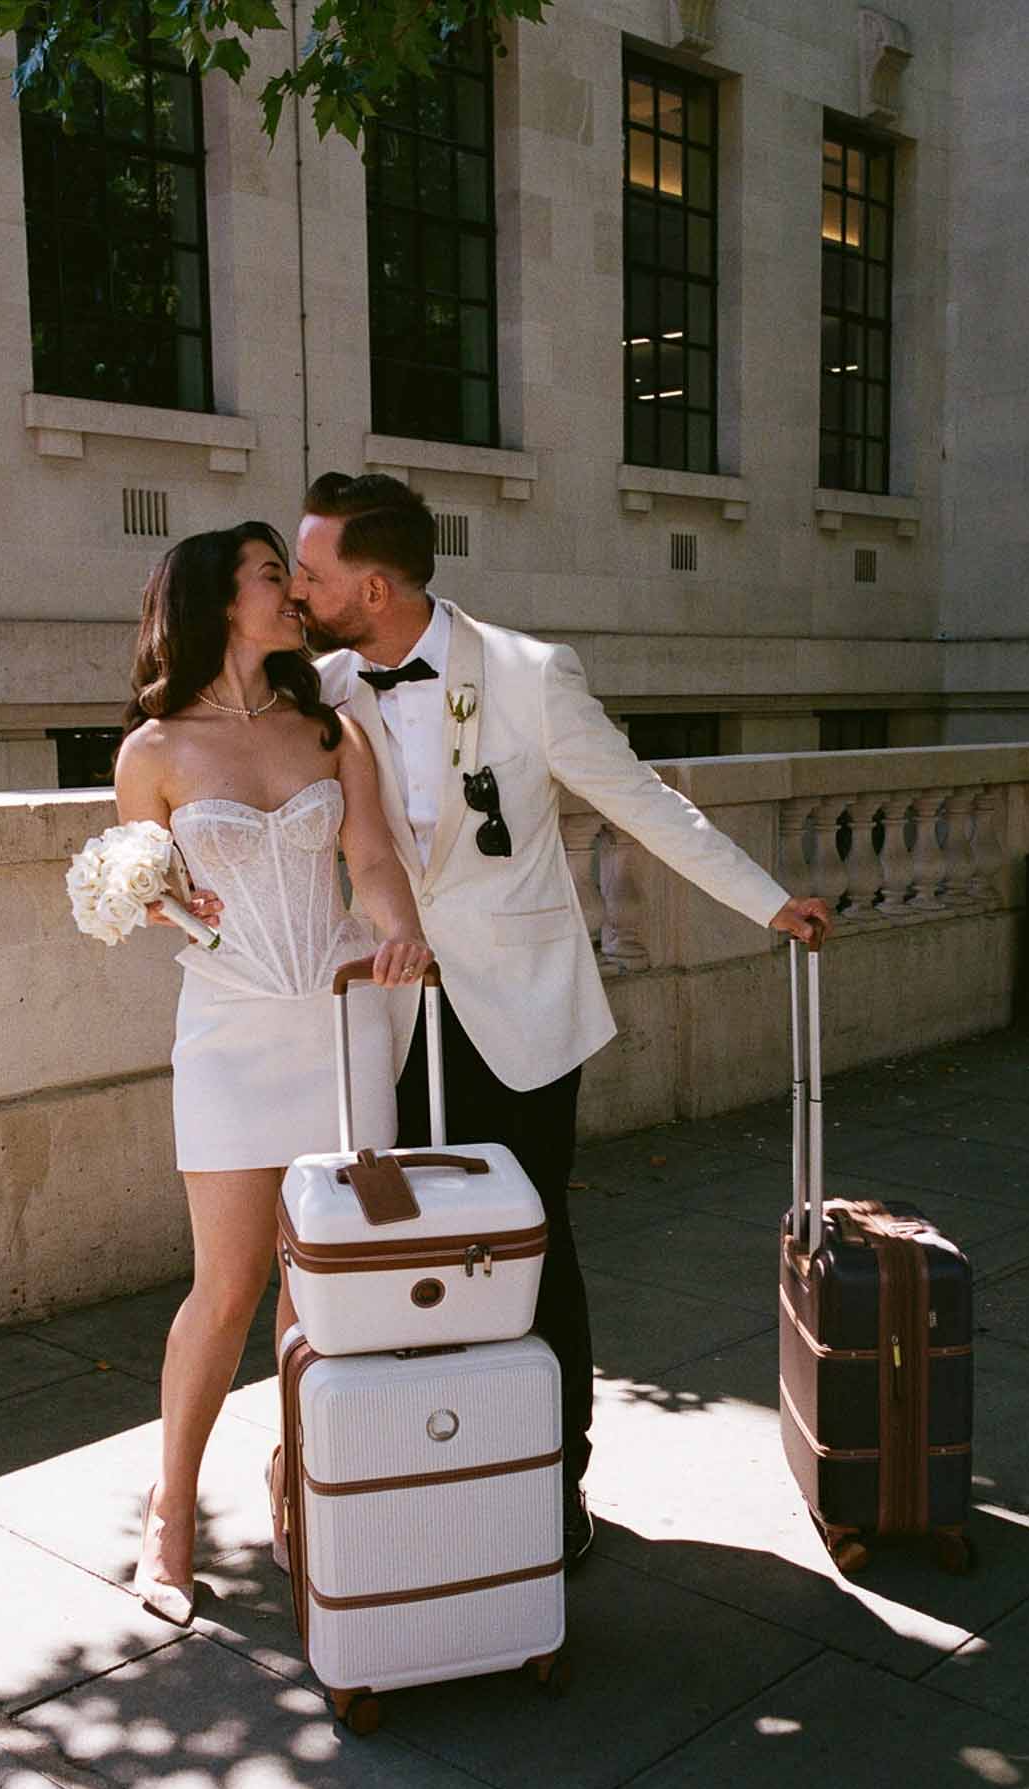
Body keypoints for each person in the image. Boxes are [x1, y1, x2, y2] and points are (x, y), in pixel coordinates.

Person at [287, 473, 832, 1568]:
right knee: (395, 1250)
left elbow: (642, 800)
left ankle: (554, 1480)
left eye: (312, 574)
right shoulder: (317, 684)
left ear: (375, 584)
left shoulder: (532, 675)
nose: (297, 590)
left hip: (519, 1014)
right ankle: (431, 1469)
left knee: (533, 1249)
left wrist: (766, 898)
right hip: (385, 1021)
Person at [114, 520, 432, 1625]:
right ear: (217, 598)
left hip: (339, 1031)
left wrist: (398, 931)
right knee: (229, 1285)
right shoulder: (151, 750)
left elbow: (373, 859)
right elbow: (137, 885)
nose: (289, 590)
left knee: (322, 1289)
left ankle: (299, 1482)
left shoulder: (327, 726)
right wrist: (163, 904)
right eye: (267, 575)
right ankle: (170, 1511)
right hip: (228, 1034)